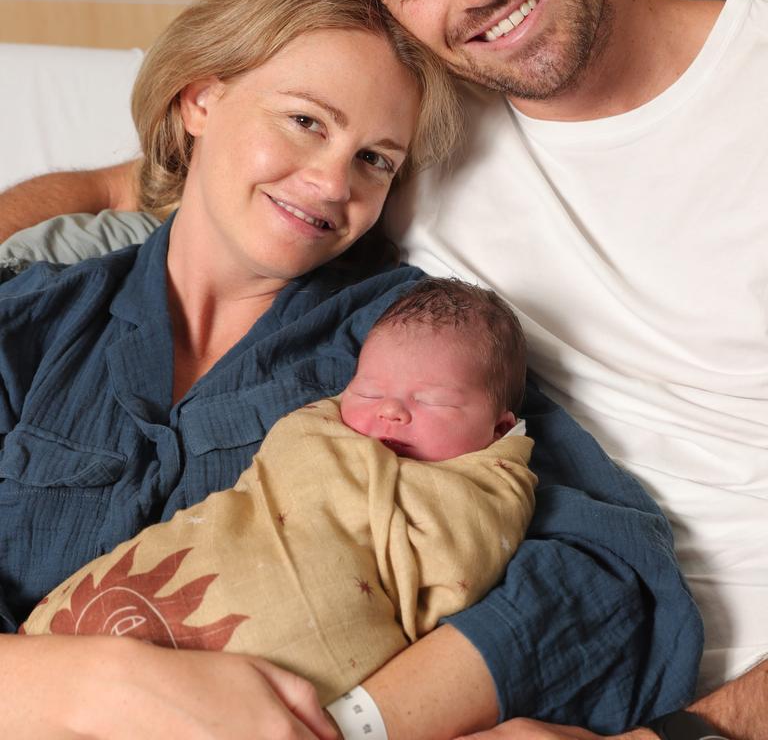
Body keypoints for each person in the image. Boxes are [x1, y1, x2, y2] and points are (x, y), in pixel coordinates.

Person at [0, 0, 717, 739]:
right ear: (202, 102)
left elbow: (608, 570)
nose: (332, 180)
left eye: (376, 159)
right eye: (305, 122)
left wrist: (352, 724)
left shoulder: (400, 338)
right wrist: (96, 686)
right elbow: (118, 183)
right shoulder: (31, 323)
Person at [22, 278, 536, 712]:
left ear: (499, 429)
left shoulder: (486, 492)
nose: (391, 412)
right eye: (369, 391)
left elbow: (459, 566)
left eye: (432, 401)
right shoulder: (321, 432)